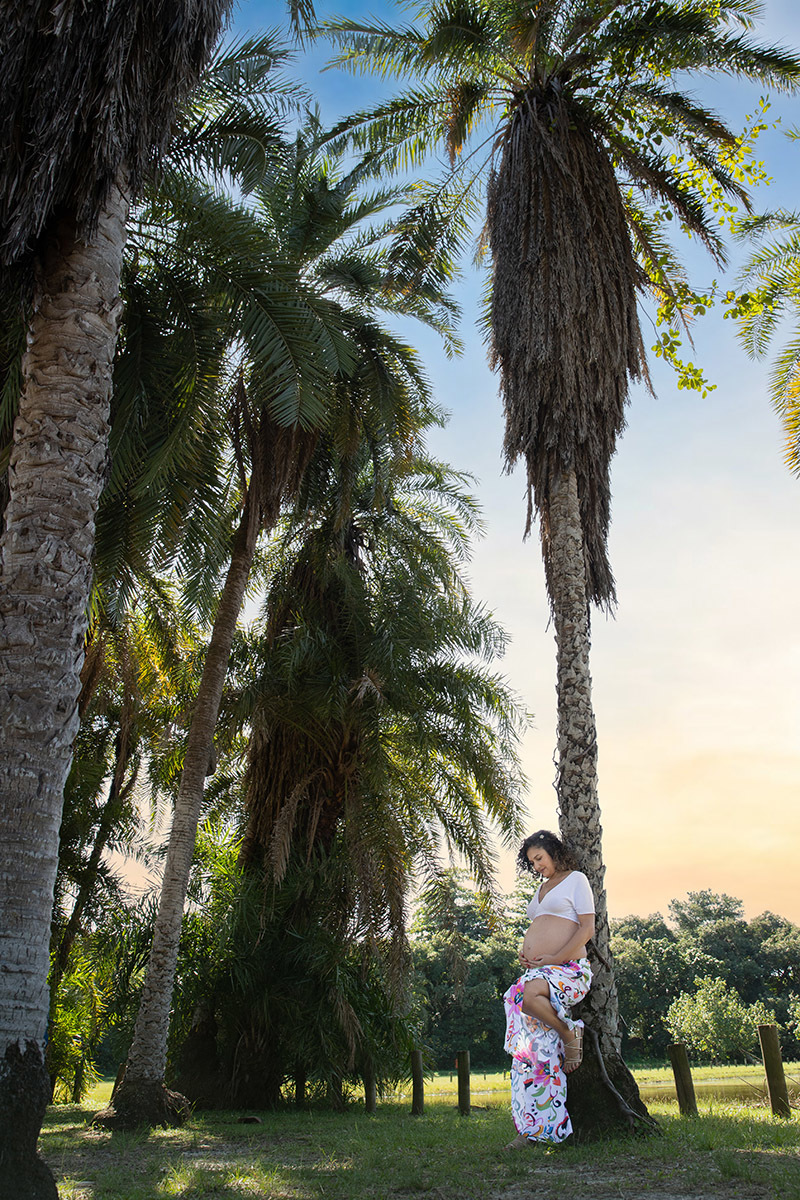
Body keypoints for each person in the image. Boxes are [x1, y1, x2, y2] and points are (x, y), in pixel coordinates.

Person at [502, 829, 595, 1147]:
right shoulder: (542, 888)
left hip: (568, 970)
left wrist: (554, 956)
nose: (537, 866)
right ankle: (532, 1129)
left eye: (539, 858)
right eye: (531, 862)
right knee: (534, 1054)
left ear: (553, 852)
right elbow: (541, 927)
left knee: (527, 998)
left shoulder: (576, 880)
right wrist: (528, 954)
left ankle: (569, 1032)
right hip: (541, 973)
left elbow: (587, 928)